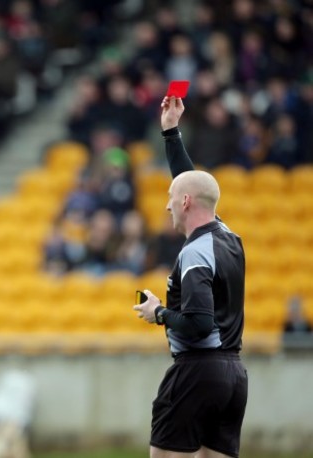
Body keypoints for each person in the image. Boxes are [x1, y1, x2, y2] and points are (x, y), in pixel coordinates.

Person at [132, 97, 248, 458]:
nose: (166, 205)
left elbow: (198, 324)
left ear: (184, 203)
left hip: (197, 372)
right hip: (233, 377)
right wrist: (170, 131)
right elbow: (192, 185)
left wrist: (159, 315)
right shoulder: (229, 236)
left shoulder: (195, 253)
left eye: (170, 197)